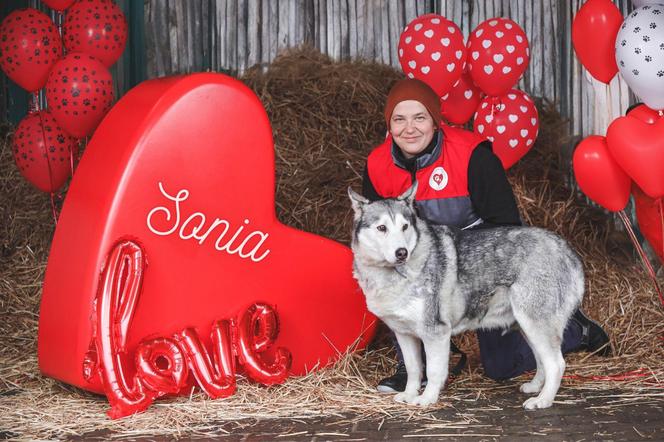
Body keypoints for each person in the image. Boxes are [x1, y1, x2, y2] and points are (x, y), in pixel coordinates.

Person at [361, 78, 611, 393]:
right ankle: (416, 367)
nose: (409, 128)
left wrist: (455, 270)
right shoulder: (376, 164)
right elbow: (376, 233)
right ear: (390, 126)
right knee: (403, 298)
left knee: (500, 367)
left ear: (435, 122)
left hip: (478, 263)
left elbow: (506, 227)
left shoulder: (472, 155)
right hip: (414, 269)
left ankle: (576, 330)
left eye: (419, 117)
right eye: (399, 119)